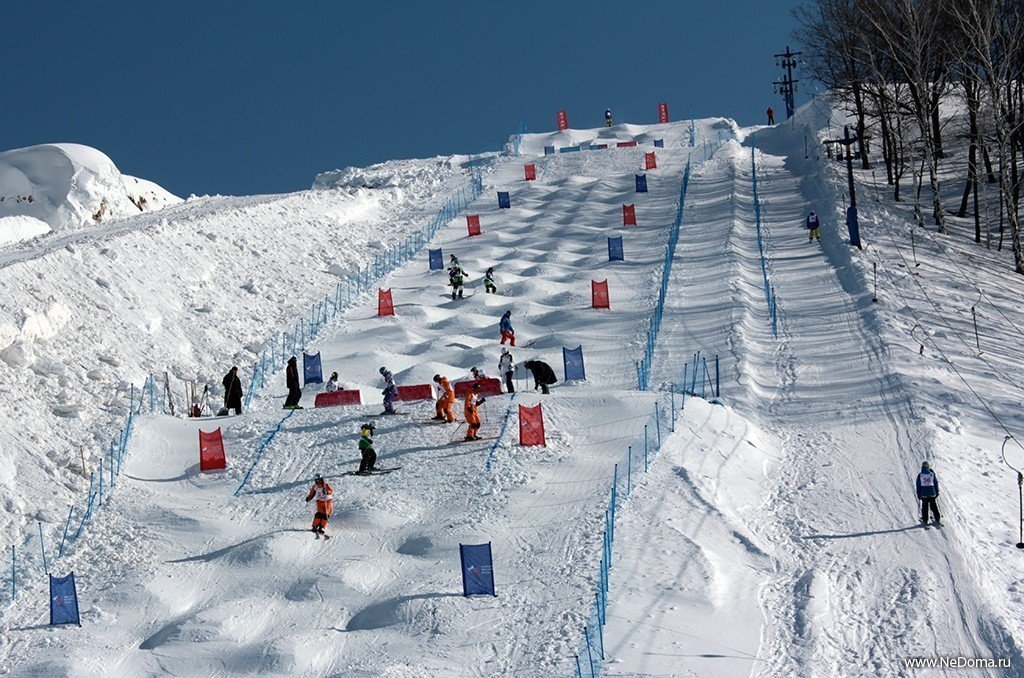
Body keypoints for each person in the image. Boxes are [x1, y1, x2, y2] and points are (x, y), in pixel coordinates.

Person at [916, 461, 941, 526]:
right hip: (932, 493)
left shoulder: (920, 475)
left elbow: (918, 485)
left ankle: (925, 520)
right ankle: (937, 518)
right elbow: (935, 483)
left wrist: (919, 494)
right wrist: (937, 492)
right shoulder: (932, 474)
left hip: (924, 494)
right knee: (934, 506)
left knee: (925, 507)